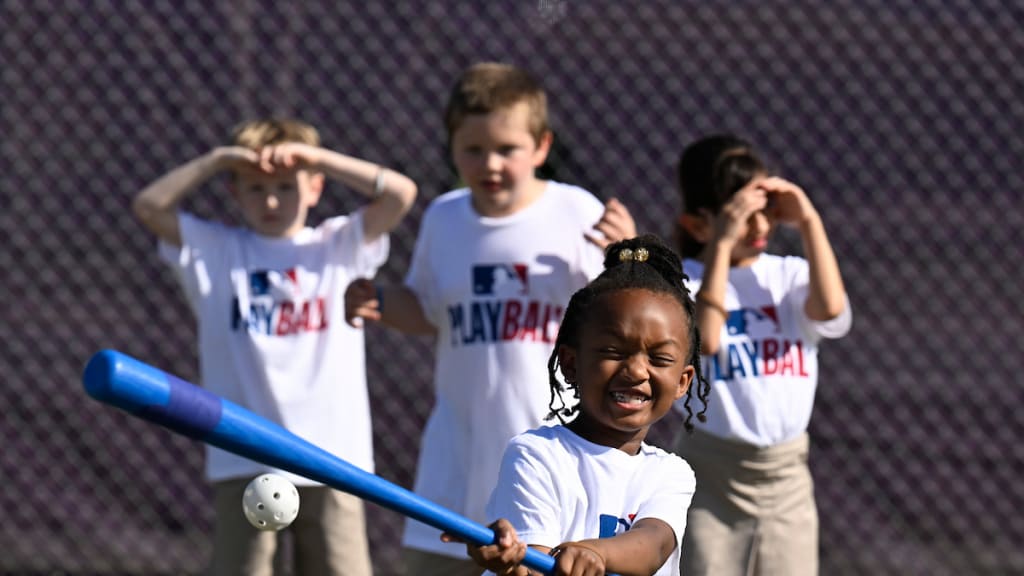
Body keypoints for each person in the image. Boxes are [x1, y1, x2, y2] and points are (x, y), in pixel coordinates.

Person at [344, 62, 636, 576]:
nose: (490, 164)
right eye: (473, 150)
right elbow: (428, 309)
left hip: (552, 464)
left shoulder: (576, 213)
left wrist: (627, 256)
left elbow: (625, 316)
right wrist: (382, 302)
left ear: (542, 147)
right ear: (452, 148)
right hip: (455, 466)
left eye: (507, 149)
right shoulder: (444, 217)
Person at [131, 118, 418, 576]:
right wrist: (217, 160)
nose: (270, 200)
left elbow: (401, 194)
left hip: (332, 458)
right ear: (234, 192)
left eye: (286, 187)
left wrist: (317, 157)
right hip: (243, 456)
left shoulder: (338, 245)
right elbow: (148, 206)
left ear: (315, 188)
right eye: (254, 187)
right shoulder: (217, 251)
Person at [445, 235, 712, 576]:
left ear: (682, 382)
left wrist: (592, 552)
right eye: (613, 352)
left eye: (659, 358)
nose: (635, 371)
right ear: (571, 364)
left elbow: (653, 545)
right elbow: (532, 566)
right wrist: (511, 566)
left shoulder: (670, 473)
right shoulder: (537, 454)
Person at [671, 134, 852, 576]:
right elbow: (706, 341)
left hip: (786, 475)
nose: (758, 228)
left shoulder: (787, 276)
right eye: (741, 217)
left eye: (765, 213)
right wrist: (721, 247)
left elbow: (830, 309)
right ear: (698, 225)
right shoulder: (680, 283)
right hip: (712, 474)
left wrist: (808, 221)